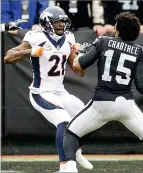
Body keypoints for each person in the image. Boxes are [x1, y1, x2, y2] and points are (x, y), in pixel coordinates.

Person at [62, 12, 143, 173]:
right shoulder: (141, 51)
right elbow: (142, 85)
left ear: (118, 29)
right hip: (126, 104)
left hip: (102, 102)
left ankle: (71, 168)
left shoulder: (103, 41)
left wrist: (82, 52)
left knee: (71, 133)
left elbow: (77, 66)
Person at [4, 6, 93, 172]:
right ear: (47, 23)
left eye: (63, 21)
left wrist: (80, 57)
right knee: (63, 120)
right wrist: (31, 51)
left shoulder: (69, 38)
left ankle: (77, 151)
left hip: (60, 92)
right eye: (57, 22)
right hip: (41, 92)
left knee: (86, 116)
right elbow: (8, 57)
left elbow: (79, 73)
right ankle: (65, 165)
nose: (61, 25)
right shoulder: (35, 36)